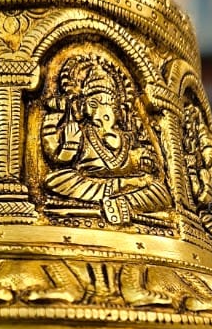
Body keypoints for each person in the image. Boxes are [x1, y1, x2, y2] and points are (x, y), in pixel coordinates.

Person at [41, 53, 171, 225]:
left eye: (109, 104)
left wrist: (140, 160)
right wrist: (71, 143)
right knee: (56, 180)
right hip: (92, 183)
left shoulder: (128, 135)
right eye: (94, 104)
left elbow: (150, 162)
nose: (103, 111)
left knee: (159, 191)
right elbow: (61, 159)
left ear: (118, 109)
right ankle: (119, 197)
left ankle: (121, 201)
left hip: (128, 183)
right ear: (84, 106)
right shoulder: (82, 131)